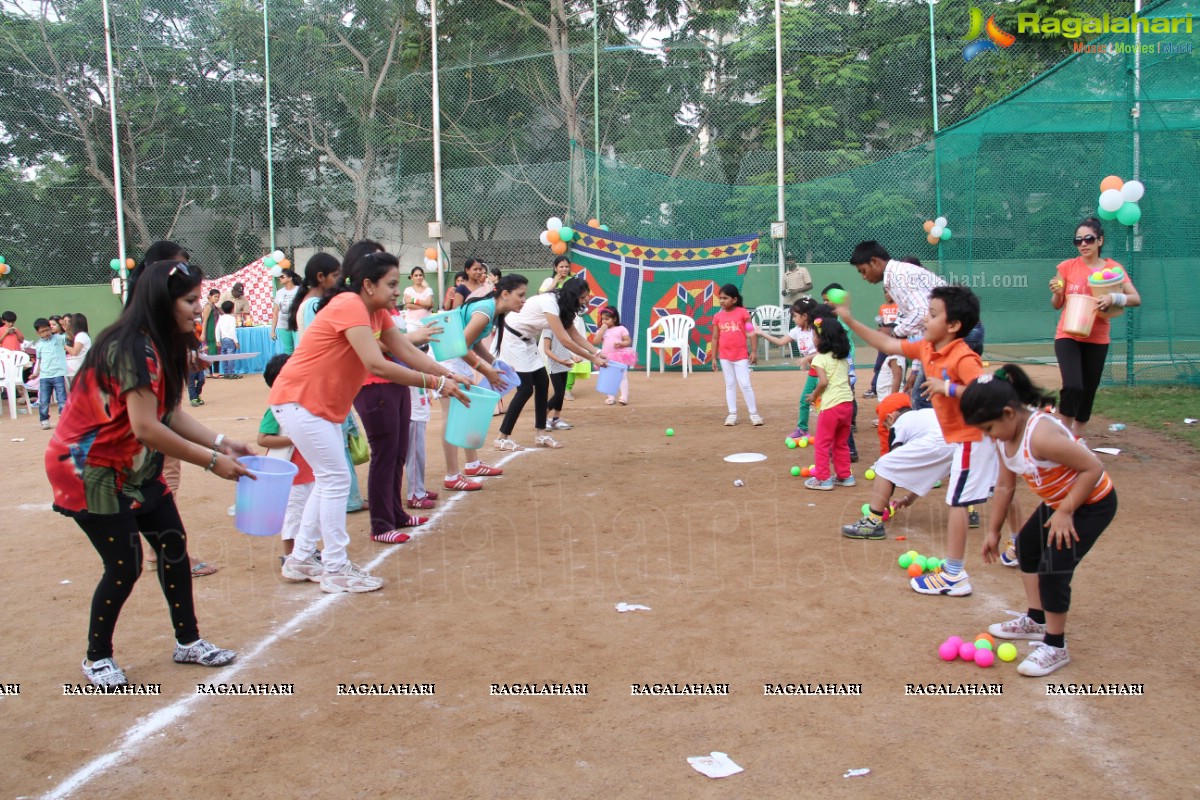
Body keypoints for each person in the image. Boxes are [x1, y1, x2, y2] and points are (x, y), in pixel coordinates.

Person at [44, 258, 252, 688]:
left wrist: (222, 442)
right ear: (162, 301)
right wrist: (213, 464)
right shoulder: (129, 346)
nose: (201, 309)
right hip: (89, 467)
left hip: (134, 464)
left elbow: (166, 415)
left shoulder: (161, 344)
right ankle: (96, 657)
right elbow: (146, 427)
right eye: (191, 301)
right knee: (125, 564)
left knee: (172, 544)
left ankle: (188, 641)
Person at [270, 251, 469, 591]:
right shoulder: (349, 305)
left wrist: (445, 372)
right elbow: (376, 364)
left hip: (316, 406)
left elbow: (405, 350)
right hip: (300, 401)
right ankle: (335, 568)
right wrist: (436, 383)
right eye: (391, 284)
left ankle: (301, 558)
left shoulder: (376, 313)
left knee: (326, 480)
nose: (398, 291)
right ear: (367, 284)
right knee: (333, 480)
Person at [838, 284, 997, 597]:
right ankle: (958, 569)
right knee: (959, 502)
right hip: (958, 440)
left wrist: (947, 388)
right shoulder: (927, 347)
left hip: (972, 440)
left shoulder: (963, 356)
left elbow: (988, 393)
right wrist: (852, 322)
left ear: (953, 326)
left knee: (958, 504)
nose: (926, 319)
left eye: (933, 314)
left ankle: (954, 575)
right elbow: (887, 342)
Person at [961, 365, 1117, 677]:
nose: (987, 437)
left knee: (1054, 568)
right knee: (1028, 549)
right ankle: (1036, 618)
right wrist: (993, 530)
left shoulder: (1042, 435)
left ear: (1008, 414)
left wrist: (1065, 511)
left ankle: (1056, 646)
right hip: (1060, 502)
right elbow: (1005, 486)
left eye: (988, 428)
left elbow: (1093, 467)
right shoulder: (1004, 438)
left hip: (1091, 503)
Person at [1050, 217, 1141, 440]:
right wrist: (1057, 291)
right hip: (1068, 334)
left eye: (1089, 239)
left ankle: (1078, 438)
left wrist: (1113, 297)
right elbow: (1056, 304)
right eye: (1078, 240)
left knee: (1088, 389)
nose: (1083, 244)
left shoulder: (1113, 268)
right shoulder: (1066, 267)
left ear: (1099, 240)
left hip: (1097, 337)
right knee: (1073, 385)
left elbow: (1135, 298)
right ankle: (1063, 436)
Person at [495, 276, 607, 450]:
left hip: (528, 340)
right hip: (512, 339)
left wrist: (597, 352)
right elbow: (565, 341)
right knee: (524, 389)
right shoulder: (550, 303)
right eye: (583, 296)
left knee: (542, 382)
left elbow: (575, 335)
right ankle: (502, 437)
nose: (586, 300)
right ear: (573, 295)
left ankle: (541, 434)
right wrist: (593, 359)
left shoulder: (564, 307)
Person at [440, 273, 529, 487]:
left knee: (466, 409)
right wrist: (486, 370)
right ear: (505, 294)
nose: (524, 300)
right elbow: (461, 345)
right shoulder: (486, 311)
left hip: (457, 356)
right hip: (447, 357)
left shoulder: (493, 310)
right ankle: (452, 475)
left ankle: (472, 464)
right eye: (521, 295)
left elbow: (475, 342)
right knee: (451, 416)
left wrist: (495, 364)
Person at [849, 242, 947, 411]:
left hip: (956, 333)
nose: (863, 277)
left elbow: (922, 312)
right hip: (946, 335)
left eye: (863, 271)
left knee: (924, 398)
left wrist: (895, 332)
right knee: (925, 395)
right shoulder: (896, 275)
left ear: (875, 262)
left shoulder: (899, 276)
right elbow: (920, 323)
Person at [842, 400, 953, 539]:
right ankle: (970, 513)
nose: (888, 430)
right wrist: (908, 498)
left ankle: (872, 522)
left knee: (884, 463)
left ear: (890, 418)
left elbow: (892, 464)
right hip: (957, 442)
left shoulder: (899, 423)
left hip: (937, 442)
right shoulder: (924, 416)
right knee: (954, 474)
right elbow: (930, 474)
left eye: (886, 426)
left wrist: (884, 500)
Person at [257, 354, 316, 560]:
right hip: (290, 474)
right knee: (294, 513)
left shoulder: (302, 404)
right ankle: (291, 555)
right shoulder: (277, 409)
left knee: (309, 512)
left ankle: (307, 550)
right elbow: (263, 439)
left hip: (308, 470)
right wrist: (294, 439)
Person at [804, 316, 855, 490]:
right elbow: (847, 381)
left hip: (832, 406)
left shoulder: (819, 359)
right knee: (841, 442)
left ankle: (823, 478)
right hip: (847, 403)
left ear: (823, 339)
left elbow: (823, 382)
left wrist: (813, 395)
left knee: (822, 443)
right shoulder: (842, 359)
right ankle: (845, 476)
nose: (813, 338)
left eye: (814, 335)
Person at [757, 297, 818, 439]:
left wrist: (807, 358)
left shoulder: (816, 330)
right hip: (813, 372)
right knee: (805, 400)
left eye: (795, 316)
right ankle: (802, 429)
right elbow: (780, 342)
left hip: (825, 371)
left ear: (805, 316)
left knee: (825, 402)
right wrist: (762, 333)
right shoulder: (797, 330)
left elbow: (824, 350)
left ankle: (832, 429)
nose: (793, 319)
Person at [711, 283, 762, 426]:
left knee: (745, 384)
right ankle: (732, 414)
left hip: (740, 355)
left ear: (734, 299)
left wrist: (753, 350)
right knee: (730, 384)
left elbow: (751, 332)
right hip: (725, 356)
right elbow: (715, 338)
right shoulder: (717, 317)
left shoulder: (743, 313)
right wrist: (714, 358)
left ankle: (754, 414)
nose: (722, 301)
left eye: (725, 298)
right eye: (720, 298)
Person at [820, 285, 858, 461]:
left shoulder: (840, 321)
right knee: (844, 403)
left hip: (844, 365)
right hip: (838, 367)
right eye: (825, 300)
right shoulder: (830, 320)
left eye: (829, 300)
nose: (826, 303)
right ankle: (845, 445)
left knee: (845, 402)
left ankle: (849, 446)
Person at [289, 253, 342, 342]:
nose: (339, 280)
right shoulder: (313, 305)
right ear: (320, 277)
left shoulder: (311, 301)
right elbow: (317, 340)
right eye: (335, 276)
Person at [593, 307, 636, 405]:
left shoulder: (621, 329)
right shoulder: (601, 330)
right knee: (608, 377)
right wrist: (601, 331)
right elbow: (596, 342)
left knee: (622, 376)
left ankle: (623, 397)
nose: (604, 321)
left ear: (615, 319)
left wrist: (621, 344)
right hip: (606, 357)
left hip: (619, 356)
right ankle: (611, 397)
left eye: (607, 319)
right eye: (603, 319)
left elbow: (628, 341)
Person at [31, 318, 68, 430]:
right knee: (44, 400)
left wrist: (66, 329)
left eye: (47, 330)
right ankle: (44, 419)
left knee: (62, 398)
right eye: (42, 331)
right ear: (37, 333)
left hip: (58, 374)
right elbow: (39, 360)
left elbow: (70, 337)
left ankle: (64, 418)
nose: (46, 333)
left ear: (51, 329)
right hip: (45, 376)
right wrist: (36, 373)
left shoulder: (58, 339)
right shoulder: (39, 345)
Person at [404, 384, 437, 510]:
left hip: (418, 407)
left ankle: (419, 489)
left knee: (418, 453)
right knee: (415, 454)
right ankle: (415, 494)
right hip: (414, 411)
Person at [864, 288, 899, 398]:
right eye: (885, 292)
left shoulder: (899, 307)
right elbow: (881, 325)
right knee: (879, 364)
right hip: (884, 341)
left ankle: (898, 388)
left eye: (889, 292)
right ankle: (874, 388)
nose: (887, 295)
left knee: (897, 366)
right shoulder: (882, 307)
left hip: (896, 340)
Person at [542, 328, 578, 430]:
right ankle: (542, 418)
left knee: (561, 393)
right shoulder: (548, 329)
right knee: (558, 393)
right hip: (555, 365)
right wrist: (559, 361)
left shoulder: (563, 329)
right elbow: (546, 350)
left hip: (564, 364)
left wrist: (573, 356)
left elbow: (564, 347)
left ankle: (556, 419)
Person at [270, 268, 301, 354]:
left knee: (299, 349)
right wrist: (272, 330)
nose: (280, 278)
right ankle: (290, 367)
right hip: (283, 325)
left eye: (282, 276)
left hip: (297, 324)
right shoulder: (279, 292)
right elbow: (275, 312)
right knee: (288, 350)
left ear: (290, 278)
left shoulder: (299, 290)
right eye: (279, 277)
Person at [215, 301, 240, 379]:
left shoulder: (221, 317)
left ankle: (226, 373)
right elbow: (232, 331)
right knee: (231, 356)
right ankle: (231, 373)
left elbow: (217, 329)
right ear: (232, 309)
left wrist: (218, 339)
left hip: (223, 339)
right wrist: (236, 341)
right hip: (230, 339)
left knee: (224, 356)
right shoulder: (232, 318)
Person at [64, 313, 92, 380]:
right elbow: (75, 341)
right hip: (77, 369)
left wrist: (63, 345)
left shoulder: (81, 335)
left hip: (74, 370)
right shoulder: (83, 335)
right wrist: (67, 331)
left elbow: (74, 352)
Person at [201, 288, 221, 376]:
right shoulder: (208, 306)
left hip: (214, 332)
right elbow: (205, 320)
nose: (217, 299)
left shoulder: (214, 306)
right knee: (211, 352)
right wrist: (203, 333)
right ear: (210, 296)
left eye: (218, 297)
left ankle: (212, 372)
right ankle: (212, 372)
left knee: (214, 351)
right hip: (210, 332)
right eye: (215, 297)